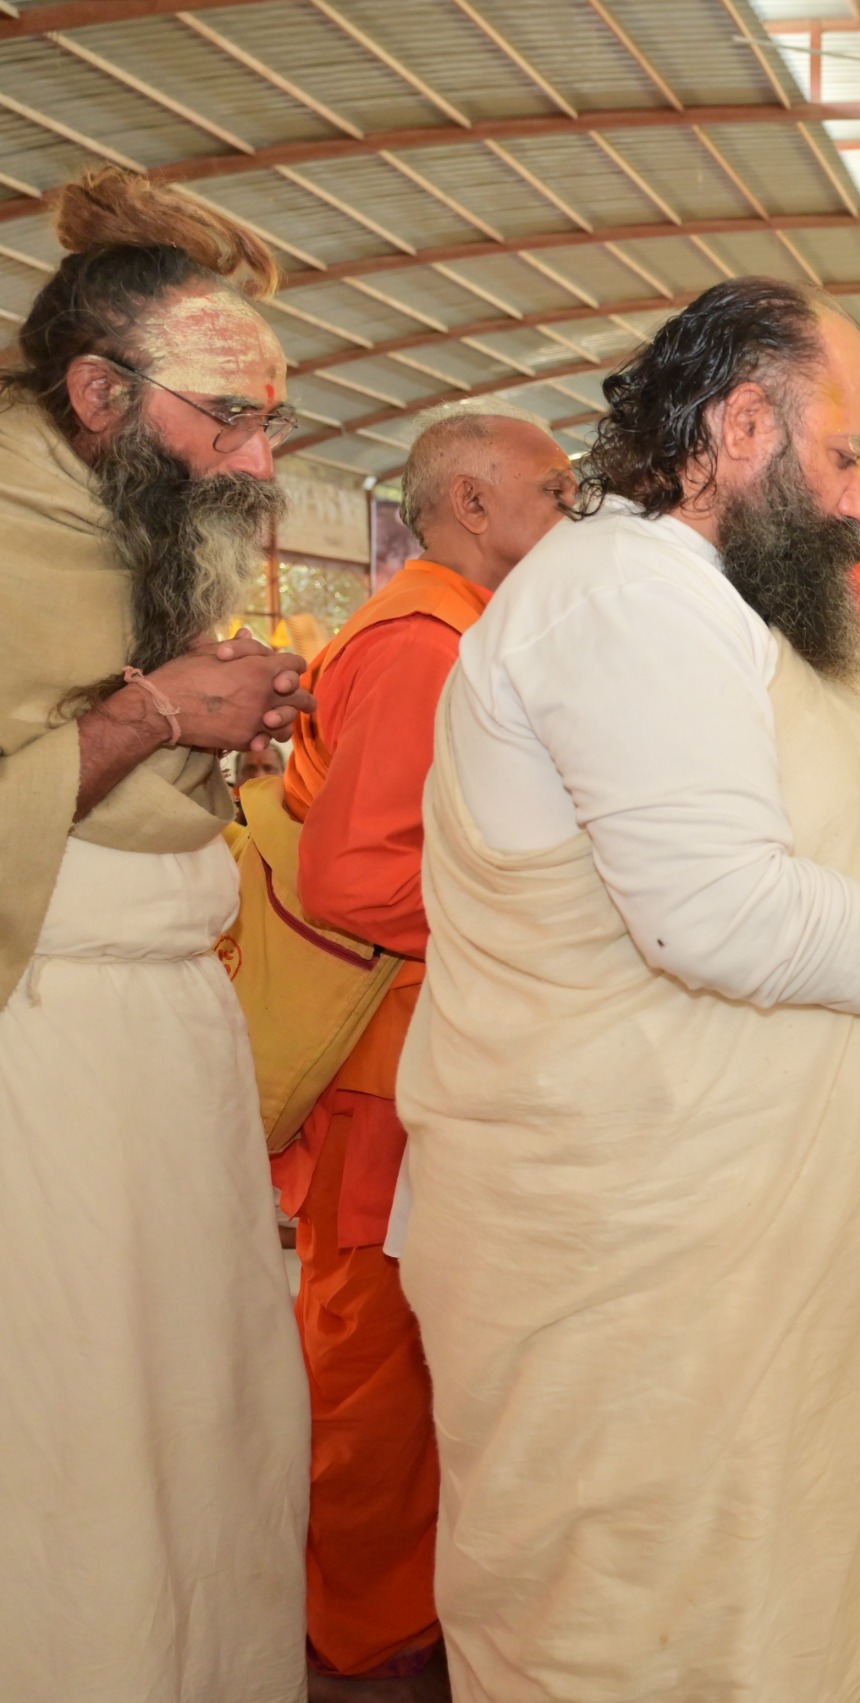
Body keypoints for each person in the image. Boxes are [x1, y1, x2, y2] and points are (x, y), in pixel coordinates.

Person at [396, 278, 860, 1701]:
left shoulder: (732, 601)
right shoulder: (621, 596)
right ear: (738, 425)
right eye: (848, 456)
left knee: (770, 1621)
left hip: (752, 1263)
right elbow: (712, 912)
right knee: (631, 1628)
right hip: (639, 1267)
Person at [0, 167, 313, 1702]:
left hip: (163, 1037)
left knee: (207, 1418)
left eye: (266, 418)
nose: (255, 458)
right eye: (226, 419)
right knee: (74, 1438)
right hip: (35, 1049)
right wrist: (155, 715)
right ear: (97, 390)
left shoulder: (137, 510)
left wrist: (215, 722)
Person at [265, 401, 574, 1698]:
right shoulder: (422, 648)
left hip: (430, 1064)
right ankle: (365, 1645)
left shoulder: (465, 632)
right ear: (472, 507)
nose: (571, 515)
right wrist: (561, 907)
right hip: (389, 1079)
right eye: (554, 492)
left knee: (431, 1374)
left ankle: (407, 1618)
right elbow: (354, 875)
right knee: (377, 1389)